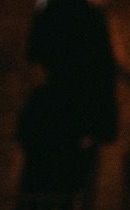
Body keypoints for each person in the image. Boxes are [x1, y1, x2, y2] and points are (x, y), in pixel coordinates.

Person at [17, 0, 122, 192]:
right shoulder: (92, 18)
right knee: (65, 192)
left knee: (35, 191)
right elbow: (100, 74)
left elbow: (34, 58)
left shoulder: (48, 13)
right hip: (76, 122)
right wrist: (96, 127)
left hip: (46, 117)